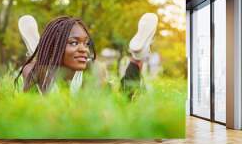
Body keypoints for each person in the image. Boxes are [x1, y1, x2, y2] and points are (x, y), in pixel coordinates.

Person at [15, 14, 158, 97]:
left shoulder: (94, 69)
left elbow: (93, 110)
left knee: (126, 98)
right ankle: (37, 52)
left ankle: (137, 55)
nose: (84, 49)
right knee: (33, 71)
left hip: (103, 95)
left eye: (86, 43)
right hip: (42, 65)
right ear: (54, 47)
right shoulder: (36, 72)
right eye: (73, 43)